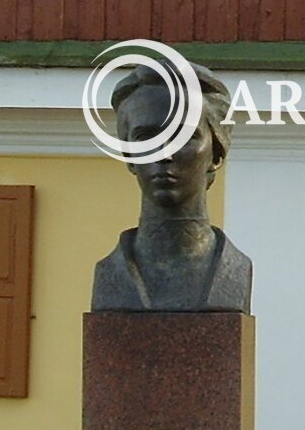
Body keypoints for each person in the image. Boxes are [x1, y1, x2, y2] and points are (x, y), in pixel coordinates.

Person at [91, 62, 253, 311]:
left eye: (185, 136)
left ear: (216, 156)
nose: (164, 154)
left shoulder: (233, 273)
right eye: (146, 137)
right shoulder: (111, 276)